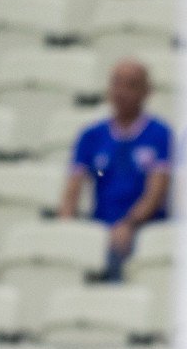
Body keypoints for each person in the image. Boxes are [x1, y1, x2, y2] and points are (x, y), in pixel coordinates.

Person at [60, 59, 173, 280]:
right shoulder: (91, 136)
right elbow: (73, 188)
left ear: (146, 92)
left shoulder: (159, 134)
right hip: (100, 227)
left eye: (131, 85)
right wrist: (65, 230)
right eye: (117, 84)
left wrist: (129, 224)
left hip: (143, 229)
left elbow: (156, 192)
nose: (122, 92)